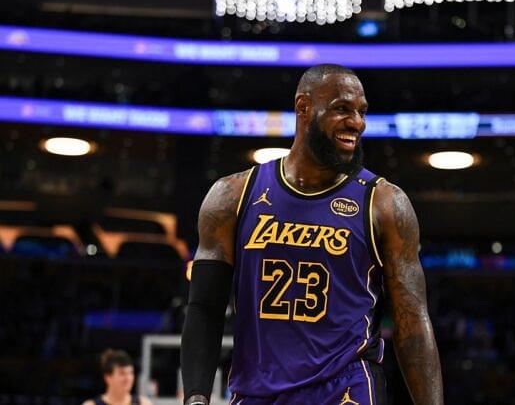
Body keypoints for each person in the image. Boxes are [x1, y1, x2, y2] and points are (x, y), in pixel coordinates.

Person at [180, 64, 443, 405]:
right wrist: (197, 394)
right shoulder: (232, 196)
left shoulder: (384, 203)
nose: (357, 123)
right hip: (257, 391)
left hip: (345, 390)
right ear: (303, 107)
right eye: (342, 109)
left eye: (362, 112)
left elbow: (413, 321)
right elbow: (204, 307)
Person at [82, 349, 153, 405]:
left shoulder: (143, 403)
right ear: (108, 378)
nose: (127, 378)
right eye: (122, 373)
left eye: (130, 373)